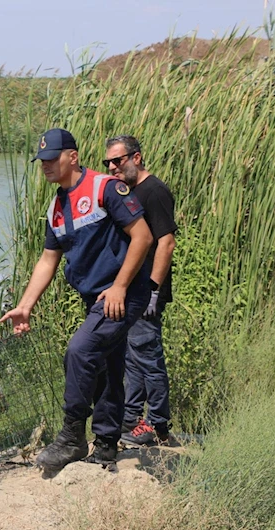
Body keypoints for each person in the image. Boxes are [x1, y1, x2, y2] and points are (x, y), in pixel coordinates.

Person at [0, 128, 153, 473]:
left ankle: (71, 437)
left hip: (122, 293)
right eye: (42, 161)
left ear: (73, 156)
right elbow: (47, 259)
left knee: (80, 351)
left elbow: (143, 237)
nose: (46, 165)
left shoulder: (107, 188)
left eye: (52, 158)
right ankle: (107, 443)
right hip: (95, 297)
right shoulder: (57, 205)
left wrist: (120, 287)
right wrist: (26, 305)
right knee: (108, 364)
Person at [103, 135, 177, 446]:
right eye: (107, 162)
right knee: (131, 357)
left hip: (147, 290)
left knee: (148, 356)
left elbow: (166, 242)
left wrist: (154, 289)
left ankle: (157, 423)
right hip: (131, 291)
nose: (112, 167)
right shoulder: (129, 192)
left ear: (136, 158)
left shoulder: (154, 191)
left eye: (117, 161)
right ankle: (131, 417)